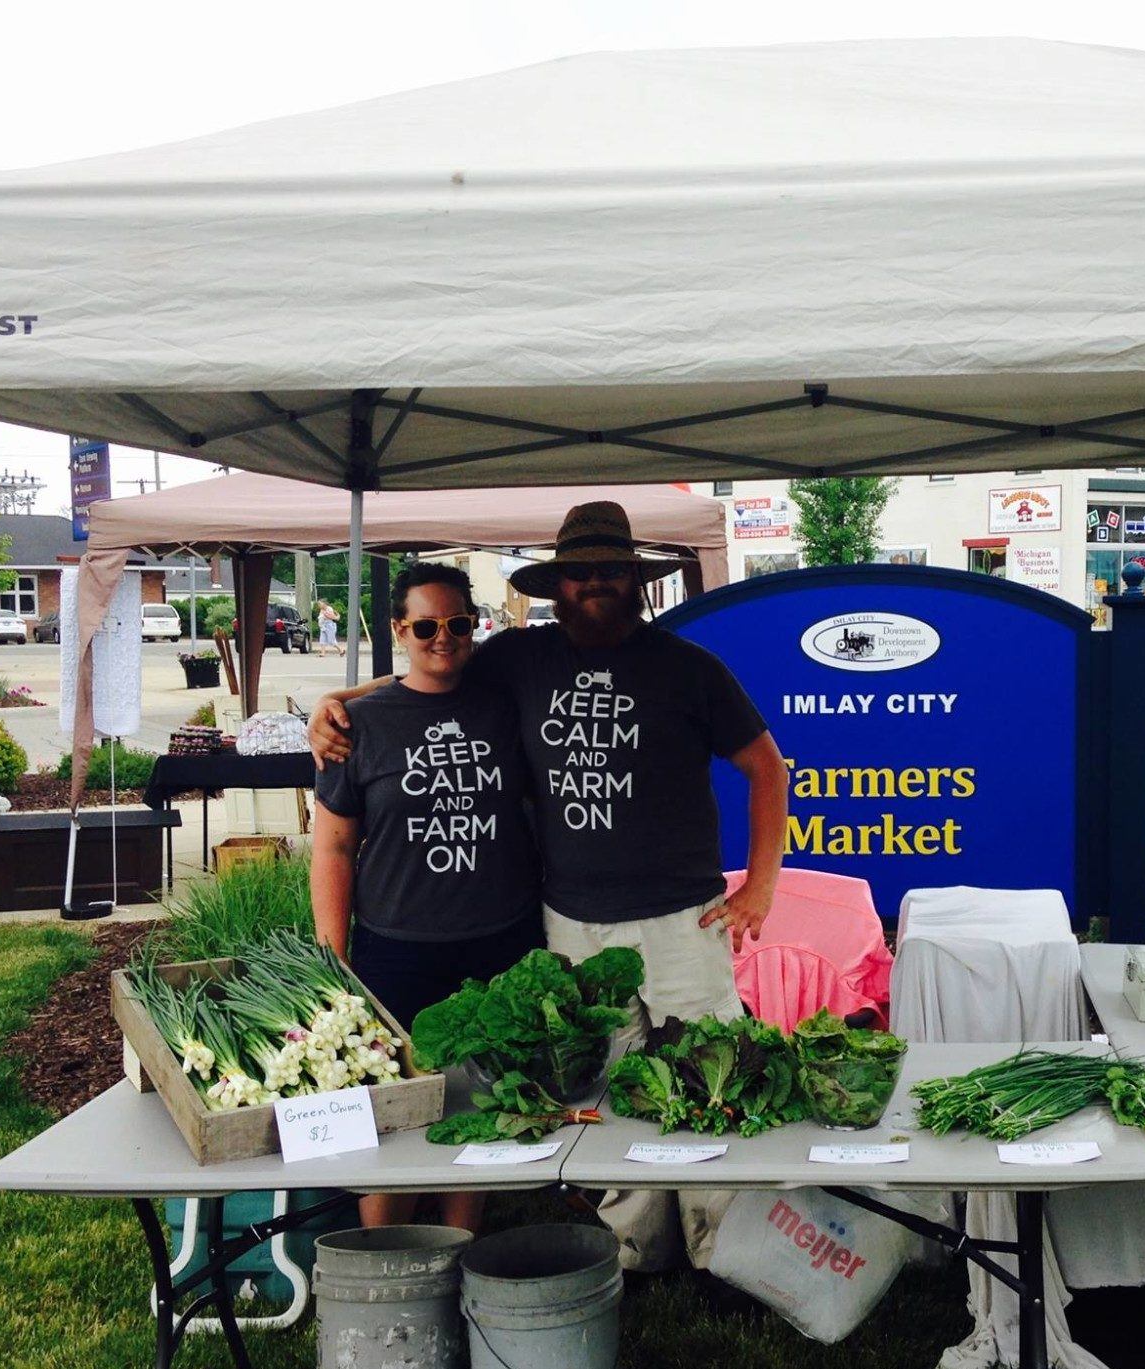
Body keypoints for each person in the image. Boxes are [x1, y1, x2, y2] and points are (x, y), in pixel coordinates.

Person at [311, 501, 789, 1270]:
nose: (594, 583)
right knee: (608, 1087)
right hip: (571, 921)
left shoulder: (688, 669)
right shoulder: (521, 659)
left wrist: (761, 885)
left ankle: (721, 1251)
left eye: (609, 571)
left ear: (635, 580)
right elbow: (428, 674)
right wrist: (335, 707)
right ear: (557, 585)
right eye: (579, 572)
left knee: (710, 1073)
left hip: (682, 920)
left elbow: (767, 768)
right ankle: (635, 1250)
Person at [309, 562, 542, 1233]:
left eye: (458, 624)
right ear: (398, 629)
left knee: (483, 1106)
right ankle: (385, 1254)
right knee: (396, 1118)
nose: (444, 638)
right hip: (396, 949)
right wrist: (334, 956)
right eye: (425, 627)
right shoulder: (357, 725)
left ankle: (462, 1247)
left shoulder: (502, 700)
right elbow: (333, 847)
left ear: (475, 626)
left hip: (503, 939)